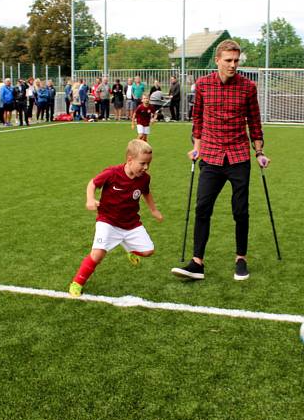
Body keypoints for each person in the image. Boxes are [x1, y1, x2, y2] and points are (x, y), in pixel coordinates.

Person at [171, 40, 269, 282]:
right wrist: (196, 148)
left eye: (236, 60)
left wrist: (259, 152)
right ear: (217, 60)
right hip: (211, 156)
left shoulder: (248, 87)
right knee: (203, 208)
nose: (233, 65)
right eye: (228, 60)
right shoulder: (203, 85)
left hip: (238, 157)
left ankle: (241, 259)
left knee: (240, 211)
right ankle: (197, 263)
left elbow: (254, 123)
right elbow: (198, 120)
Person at [68, 139, 163, 297]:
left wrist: (154, 210)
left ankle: (128, 248)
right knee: (97, 254)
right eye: (142, 163)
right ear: (130, 160)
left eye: (148, 164)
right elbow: (92, 184)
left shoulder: (144, 178)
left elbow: (146, 192)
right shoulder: (112, 173)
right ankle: (77, 283)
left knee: (148, 251)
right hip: (108, 221)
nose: (146, 167)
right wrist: (90, 199)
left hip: (131, 223)